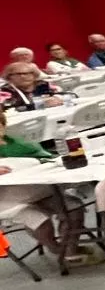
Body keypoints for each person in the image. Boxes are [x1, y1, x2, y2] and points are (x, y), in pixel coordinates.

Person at [0, 107, 85, 262]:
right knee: (40, 222)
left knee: (74, 209)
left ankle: (69, 251)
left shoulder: (15, 142)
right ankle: (56, 249)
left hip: (40, 190)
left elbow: (46, 156)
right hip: (6, 200)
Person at [1, 62, 69, 111]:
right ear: (9, 77)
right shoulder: (5, 91)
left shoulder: (42, 85)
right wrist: (39, 105)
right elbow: (7, 110)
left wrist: (57, 98)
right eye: (18, 74)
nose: (23, 76)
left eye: (27, 73)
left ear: (34, 75)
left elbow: (68, 95)